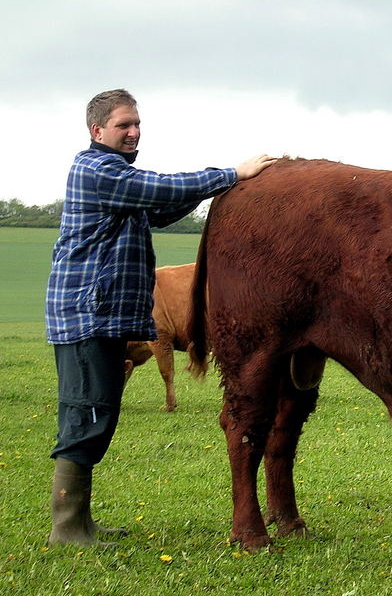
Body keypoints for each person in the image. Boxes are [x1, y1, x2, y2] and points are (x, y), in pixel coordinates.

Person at [44, 89, 276, 546]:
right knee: (85, 412)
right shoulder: (96, 171)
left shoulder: (116, 178)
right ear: (97, 130)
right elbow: (158, 189)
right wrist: (231, 172)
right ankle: (66, 527)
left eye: (137, 125)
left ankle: (78, 521)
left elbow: (163, 207)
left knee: (99, 411)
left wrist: (221, 190)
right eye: (123, 125)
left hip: (103, 315)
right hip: (85, 314)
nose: (133, 132)